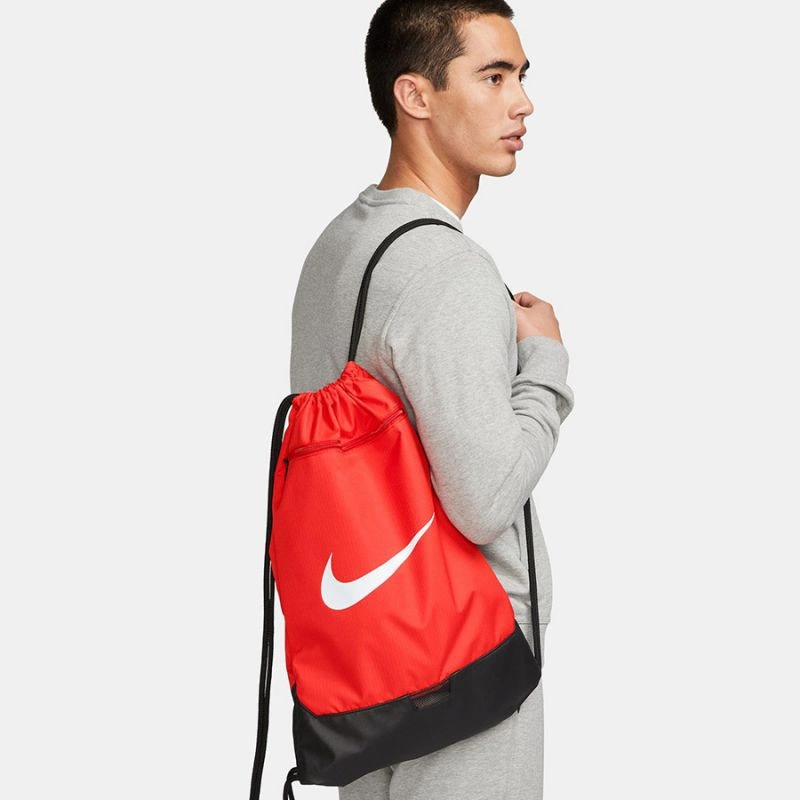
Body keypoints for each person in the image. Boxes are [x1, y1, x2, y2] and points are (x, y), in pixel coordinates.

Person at [289, 1, 575, 797]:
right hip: (469, 668)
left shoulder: (339, 246)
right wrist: (545, 365)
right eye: (493, 77)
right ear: (415, 95)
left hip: (370, 666)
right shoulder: (447, 269)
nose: (523, 103)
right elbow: (484, 500)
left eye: (521, 77)